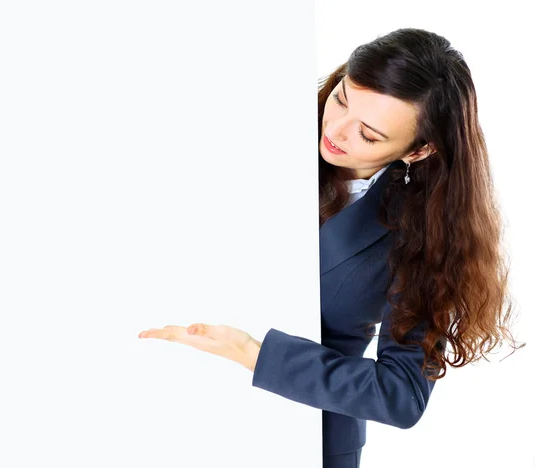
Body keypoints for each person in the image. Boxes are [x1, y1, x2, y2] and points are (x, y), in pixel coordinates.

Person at [138, 28, 525, 468]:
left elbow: (401, 395)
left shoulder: (423, 235)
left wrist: (255, 354)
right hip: (170, 406)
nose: (335, 130)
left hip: (307, 437)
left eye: (369, 133)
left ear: (418, 151)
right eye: (342, 98)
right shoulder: (247, 130)